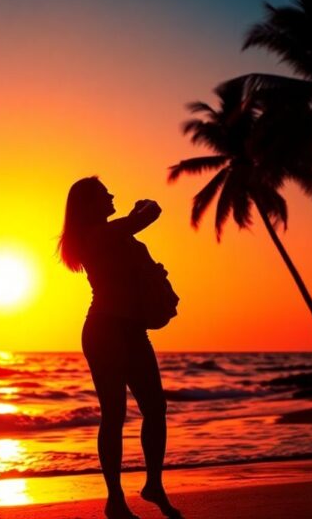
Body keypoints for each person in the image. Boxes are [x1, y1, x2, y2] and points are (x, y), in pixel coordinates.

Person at [59, 177, 181, 519]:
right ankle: (115, 498)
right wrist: (140, 207)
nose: (111, 194)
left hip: (131, 329)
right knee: (114, 414)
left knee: (155, 408)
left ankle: (153, 483)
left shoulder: (113, 233)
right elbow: (149, 214)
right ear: (89, 204)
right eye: (104, 193)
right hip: (106, 330)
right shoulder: (98, 235)